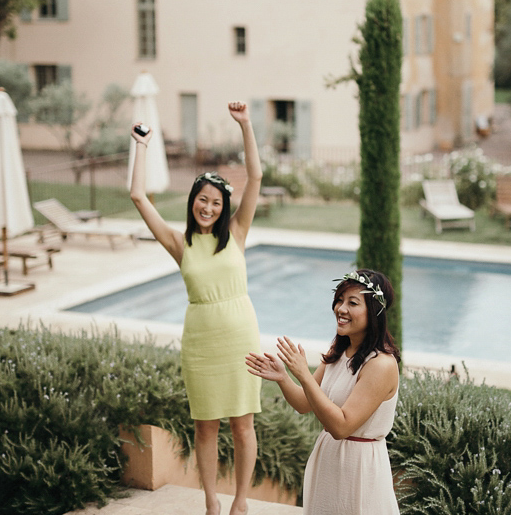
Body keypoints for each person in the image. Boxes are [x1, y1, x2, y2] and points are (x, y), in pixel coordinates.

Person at [130, 101, 262, 515]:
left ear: (224, 208)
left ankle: (240, 501)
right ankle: (211, 502)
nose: (208, 208)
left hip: (240, 335)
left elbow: (256, 175)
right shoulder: (178, 242)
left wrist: (245, 124)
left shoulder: (237, 232)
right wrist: (141, 146)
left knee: (243, 426)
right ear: (193, 201)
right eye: (202, 201)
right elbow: (137, 195)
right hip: (201, 343)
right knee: (205, 427)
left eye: (216, 203)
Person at [247, 269, 401, 515]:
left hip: (359, 468)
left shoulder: (381, 364)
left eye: (352, 302)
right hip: (328, 461)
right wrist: (283, 377)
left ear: (374, 311)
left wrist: (304, 375)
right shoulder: (339, 350)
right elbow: (303, 403)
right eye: (340, 300)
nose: (341, 308)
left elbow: (341, 427)